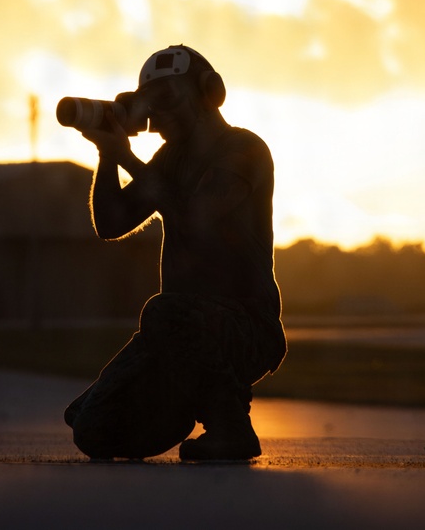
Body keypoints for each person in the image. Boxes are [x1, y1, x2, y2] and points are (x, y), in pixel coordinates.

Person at [64, 45, 286, 461]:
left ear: (208, 93)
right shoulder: (169, 159)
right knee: (87, 424)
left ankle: (231, 427)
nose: (157, 115)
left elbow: (197, 215)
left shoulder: (244, 150)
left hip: (246, 328)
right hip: (179, 333)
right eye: (148, 104)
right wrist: (108, 156)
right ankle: (182, 400)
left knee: (164, 311)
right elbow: (111, 224)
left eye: (167, 99)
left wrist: (129, 157)